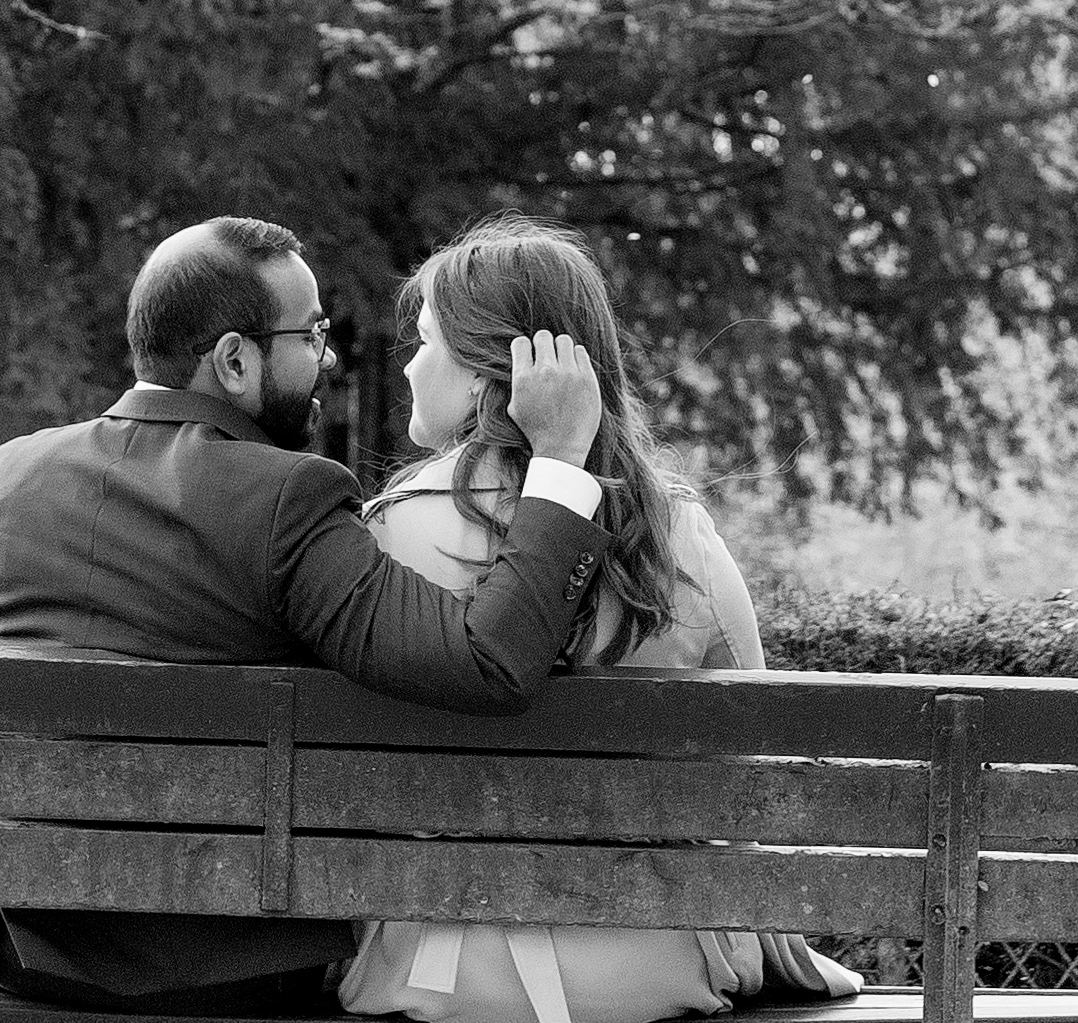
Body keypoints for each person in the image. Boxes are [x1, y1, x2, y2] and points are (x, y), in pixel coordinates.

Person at [0, 212, 610, 1015]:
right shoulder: (287, 497)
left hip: (19, 946)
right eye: (311, 332)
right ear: (233, 359)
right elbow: (487, 660)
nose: (328, 356)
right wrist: (561, 463)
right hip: (234, 965)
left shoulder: (5, 476)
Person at [339, 219, 861, 1023]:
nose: (408, 361)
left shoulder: (389, 530)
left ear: (492, 368)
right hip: (653, 958)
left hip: (442, 967)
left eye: (425, 340)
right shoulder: (680, 533)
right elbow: (747, 765)